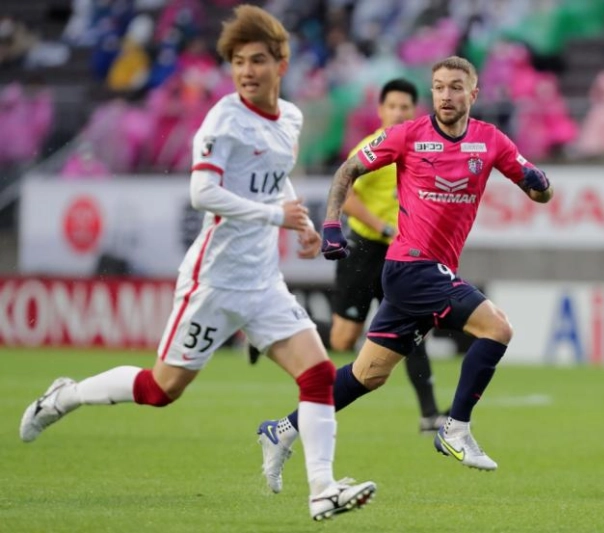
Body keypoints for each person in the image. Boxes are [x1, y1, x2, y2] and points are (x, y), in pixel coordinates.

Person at [18, 5, 376, 522]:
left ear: (282, 61)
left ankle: (321, 489)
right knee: (160, 390)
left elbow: (275, 177)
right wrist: (274, 216)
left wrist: (299, 222)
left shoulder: (291, 117)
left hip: (262, 281)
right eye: (237, 62)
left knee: (318, 374)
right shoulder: (224, 120)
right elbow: (201, 192)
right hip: (214, 282)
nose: (247, 71)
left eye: (257, 60)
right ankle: (65, 397)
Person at [257, 55, 553, 492]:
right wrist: (332, 222)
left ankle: (280, 430)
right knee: (497, 328)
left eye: (455, 87)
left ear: (473, 94)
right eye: (438, 87)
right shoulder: (407, 136)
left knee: (366, 375)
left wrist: (539, 182)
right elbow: (349, 169)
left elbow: (538, 191)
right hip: (411, 266)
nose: (446, 95)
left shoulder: (490, 141)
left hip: (429, 271)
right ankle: (455, 428)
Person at [331, 78, 447, 434]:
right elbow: (346, 193)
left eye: (405, 107)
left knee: (412, 331)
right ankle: (275, 334)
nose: (398, 112)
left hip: (404, 254)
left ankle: (430, 414)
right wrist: (382, 227)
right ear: (381, 111)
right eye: (392, 107)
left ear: (415, 111)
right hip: (365, 250)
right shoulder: (373, 148)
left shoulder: (424, 148)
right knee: (342, 340)